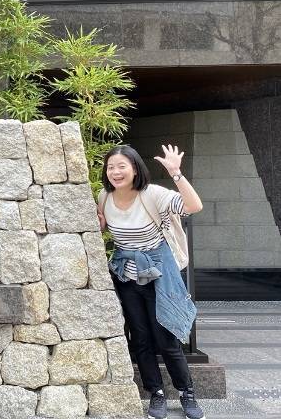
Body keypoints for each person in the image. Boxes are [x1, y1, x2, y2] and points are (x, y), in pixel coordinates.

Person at [97, 144, 205, 419]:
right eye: (111, 167)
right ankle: (156, 394)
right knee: (141, 339)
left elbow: (194, 206)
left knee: (166, 337)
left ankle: (187, 393)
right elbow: (101, 227)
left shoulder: (152, 194)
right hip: (127, 276)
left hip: (159, 274)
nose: (116, 172)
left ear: (135, 168)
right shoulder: (104, 197)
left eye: (122, 166)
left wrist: (175, 173)